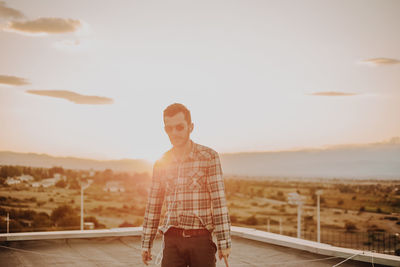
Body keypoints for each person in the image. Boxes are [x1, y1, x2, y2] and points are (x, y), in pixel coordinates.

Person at [141, 103, 231, 267]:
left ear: (191, 127)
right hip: (171, 241)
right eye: (169, 128)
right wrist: (146, 243)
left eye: (179, 127)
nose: (174, 133)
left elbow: (219, 202)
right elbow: (153, 205)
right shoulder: (161, 162)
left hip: (201, 241)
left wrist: (224, 242)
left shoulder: (208, 157)